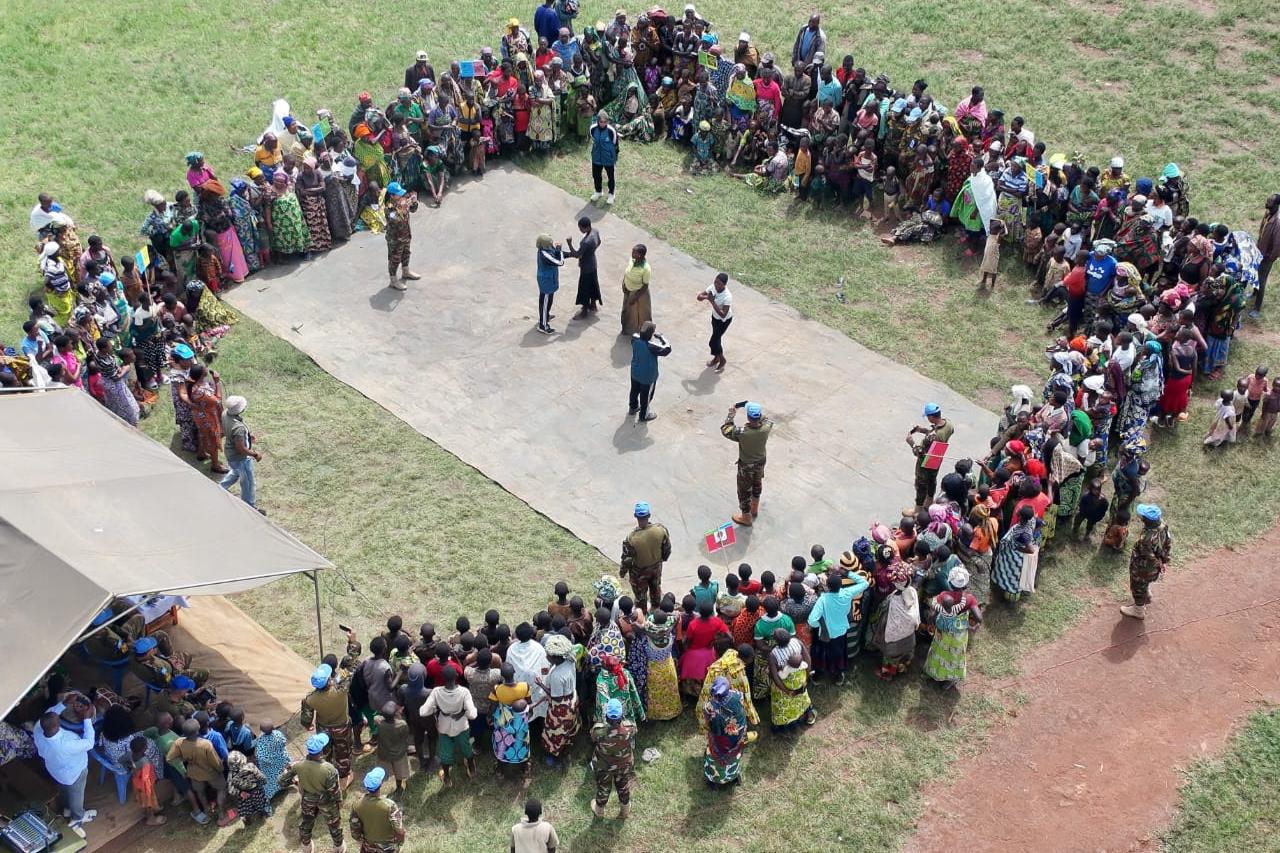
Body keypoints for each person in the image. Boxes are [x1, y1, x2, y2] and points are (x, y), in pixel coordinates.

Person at [33, 709, 96, 827]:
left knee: (63, 789)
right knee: (77, 794)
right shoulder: (66, 744)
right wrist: (87, 719)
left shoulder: (37, 730)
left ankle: (66, 808)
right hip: (74, 772)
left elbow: (49, 714)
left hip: (55, 770)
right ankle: (77, 817)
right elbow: (89, 743)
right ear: (57, 724)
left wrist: (63, 704)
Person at [923, 566, 983, 687]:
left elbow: (932, 614)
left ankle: (935, 673)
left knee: (939, 651)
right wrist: (975, 626)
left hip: (942, 631)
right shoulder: (969, 599)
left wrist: (932, 623)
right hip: (959, 634)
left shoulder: (943, 596)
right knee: (955, 656)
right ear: (965, 584)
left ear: (950, 582)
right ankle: (950, 679)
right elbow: (979, 617)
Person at [807, 571, 869, 685]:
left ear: (828, 587)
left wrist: (820, 625)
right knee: (838, 653)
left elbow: (812, 620)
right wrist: (848, 573)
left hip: (826, 634)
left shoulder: (823, 599)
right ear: (841, 585)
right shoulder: (847, 593)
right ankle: (838, 676)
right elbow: (865, 583)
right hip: (841, 631)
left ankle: (818, 676)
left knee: (822, 654)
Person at [422, 666, 478, 784]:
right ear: (456, 677)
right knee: (466, 747)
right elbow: (473, 714)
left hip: (444, 726)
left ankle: (447, 778)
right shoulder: (464, 691)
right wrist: (463, 712)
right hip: (461, 725)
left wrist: (435, 709)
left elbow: (423, 711)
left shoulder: (436, 691)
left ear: (442, 678)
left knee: (445, 752)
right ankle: (472, 769)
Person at [167, 718, 226, 826]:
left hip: (194, 774)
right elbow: (216, 762)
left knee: (200, 793)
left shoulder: (179, 743)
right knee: (221, 789)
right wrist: (221, 770)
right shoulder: (206, 744)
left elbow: (169, 758)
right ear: (198, 730)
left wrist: (183, 759)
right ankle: (222, 815)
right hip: (210, 773)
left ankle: (207, 812)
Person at [722, 402, 773, 525]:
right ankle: (754, 509)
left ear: (748, 418)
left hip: (746, 466)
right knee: (757, 483)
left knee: (744, 490)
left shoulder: (743, 432)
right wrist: (752, 408)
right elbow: (766, 419)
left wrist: (731, 414)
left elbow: (726, 429)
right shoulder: (767, 427)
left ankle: (746, 517)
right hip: (760, 462)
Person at [1121, 504, 1172, 620]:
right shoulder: (1164, 526)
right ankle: (1147, 593)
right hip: (1155, 567)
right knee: (1146, 582)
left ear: (1146, 521)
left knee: (1138, 586)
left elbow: (1148, 556)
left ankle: (1138, 610)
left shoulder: (1145, 539)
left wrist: (1157, 563)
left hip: (1143, 569)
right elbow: (1168, 543)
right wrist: (1163, 561)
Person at [537, 633, 580, 764]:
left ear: (555, 658)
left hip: (561, 707)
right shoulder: (570, 660)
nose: (546, 656)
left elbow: (556, 696)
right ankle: (567, 747)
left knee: (555, 731)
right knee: (569, 727)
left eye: (548, 655)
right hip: (572, 698)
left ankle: (555, 755)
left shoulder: (557, 675)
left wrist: (541, 684)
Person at [590, 698, 637, 818]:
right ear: (621, 716)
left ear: (606, 715)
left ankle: (599, 811)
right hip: (624, 765)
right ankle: (625, 811)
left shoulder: (599, 730)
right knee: (623, 786)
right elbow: (634, 732)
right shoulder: (629, 727)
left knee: (604, 787)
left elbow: (593, 738)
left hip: (603, 766)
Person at [619, 501, 671, 610]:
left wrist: (622, 572)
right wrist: (663, 558)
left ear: (635, 516)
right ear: (649, 516)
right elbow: (667, 548)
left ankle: (642, 614)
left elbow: (627, 560)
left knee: (640, 597)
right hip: (656, 567)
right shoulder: (661, 530)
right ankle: (656, 608)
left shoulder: (631, 538)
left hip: (639, 573)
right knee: (656, 589)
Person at [701, 675, 749, 787]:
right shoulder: (737, 695)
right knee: (734, 756)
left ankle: (715, 781)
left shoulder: (710, 708)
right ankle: (733, 775)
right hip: (738, 736)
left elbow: (714, 730)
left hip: (722, 741)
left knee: (716, 758)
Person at [766, 628, 815, 731]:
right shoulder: (797, 642)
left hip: (784, 684)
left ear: (776, 641)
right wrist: (806, 677)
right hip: (800, 679)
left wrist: (786, 691)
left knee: (783, 704)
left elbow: (775, 676)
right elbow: (808, 660)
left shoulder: (773, 654)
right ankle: (806, 715)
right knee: (801, 697)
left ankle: (787, 724)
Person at [907, 403, 955, 508]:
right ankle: (929, 501)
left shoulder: (933, 436)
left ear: (932, 417)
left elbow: (918, 451)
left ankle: (918, 509)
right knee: (932, 480)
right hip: (937, 458)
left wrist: (911, 442)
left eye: (928, 417)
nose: (928, 419)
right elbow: (936, 433)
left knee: (921, 485)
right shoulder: (948, 425)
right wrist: (923, 430)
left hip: (925, 461)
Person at [350, 767, 405, 853]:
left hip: (368, 847)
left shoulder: (357, 805)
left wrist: (362, 841)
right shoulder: (390, 806)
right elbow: (400, 832)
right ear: (381, 784)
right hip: (388, 848)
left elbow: (354, 830)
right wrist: (399, 844)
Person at [629, 321, 672, 422]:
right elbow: (667, 349)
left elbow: (636, 335)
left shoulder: (634, 339)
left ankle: (633, 407)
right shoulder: (651, 347)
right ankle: (644, 415)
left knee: (634, 390)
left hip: (635, 372)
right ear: (650, 335)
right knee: (646, 396)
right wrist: (661, 337)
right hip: (647, 377)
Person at [383, 182, 421, 291]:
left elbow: (413, 210)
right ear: (392, 195)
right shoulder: (388, 208)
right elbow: (395, 221)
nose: (401, 196)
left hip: (405, 234)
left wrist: (414, 202)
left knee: (406, 253)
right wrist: (402, 209)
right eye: (398, 194)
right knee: (395, 258)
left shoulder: (402, 200)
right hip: (395, 238)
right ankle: (393, 280)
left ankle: (406, 271)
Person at [565, 217, 602, 318]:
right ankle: (593, 305)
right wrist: (591, 251)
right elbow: (599, 242)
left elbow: (577, 255)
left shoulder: (585, 242)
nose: (580, 230)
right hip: (593, 264)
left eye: (581, 228)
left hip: (586, 267)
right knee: (593, 285)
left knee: (584, 288)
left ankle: (584, 311)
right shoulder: (595, 231)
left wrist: (569, 244)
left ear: (586, 228)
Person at [697, 272, 733, 371]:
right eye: (715, 282)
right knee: (716, 340)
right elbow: (699, 297)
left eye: (719, 283)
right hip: (715, 318)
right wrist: (705, 297)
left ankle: (722, 360)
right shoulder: (712, 287)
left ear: (724, 285)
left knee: (713, 342)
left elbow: (723, 314)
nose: (716, 285)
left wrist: (712, 301)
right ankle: (716, 358)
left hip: (724, 321)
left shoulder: (727, 296)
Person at [1252, 193, 1279, 317]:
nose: (1266, 202)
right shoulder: (1268, 214)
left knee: (1262, 279)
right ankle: (1254, 292)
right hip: (1260, 251)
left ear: (1276, 205)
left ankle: (1257, 308)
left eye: (1269, 201)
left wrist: (1270, 257)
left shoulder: (1278, 222)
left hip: (1267, 256)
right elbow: (1262, 232)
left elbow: (1278, 244)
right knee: (1255, 273)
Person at [535, 234, 564, 335]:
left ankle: (546, 316)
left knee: (549, 300)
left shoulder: (547, 248)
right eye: (549, 244)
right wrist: (559, 249)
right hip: (546, 282)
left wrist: (572, 254)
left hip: (550, 279)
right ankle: (543, 326)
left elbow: (556, 254)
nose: (551, 245)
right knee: (545, 302)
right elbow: (560, 262)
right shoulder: (544, 255)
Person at [620, 244, 651, 335]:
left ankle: (644, 333)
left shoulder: (646, 269)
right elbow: (627, 273)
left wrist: (635, 297)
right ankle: (627, 329)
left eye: (634, 252)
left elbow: (645, 285)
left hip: (638, 293)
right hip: (628, 290)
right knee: (627, 312)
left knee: (640, 315)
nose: (632, 253)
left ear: (640, 255)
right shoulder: (632, 260)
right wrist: (624, 284)